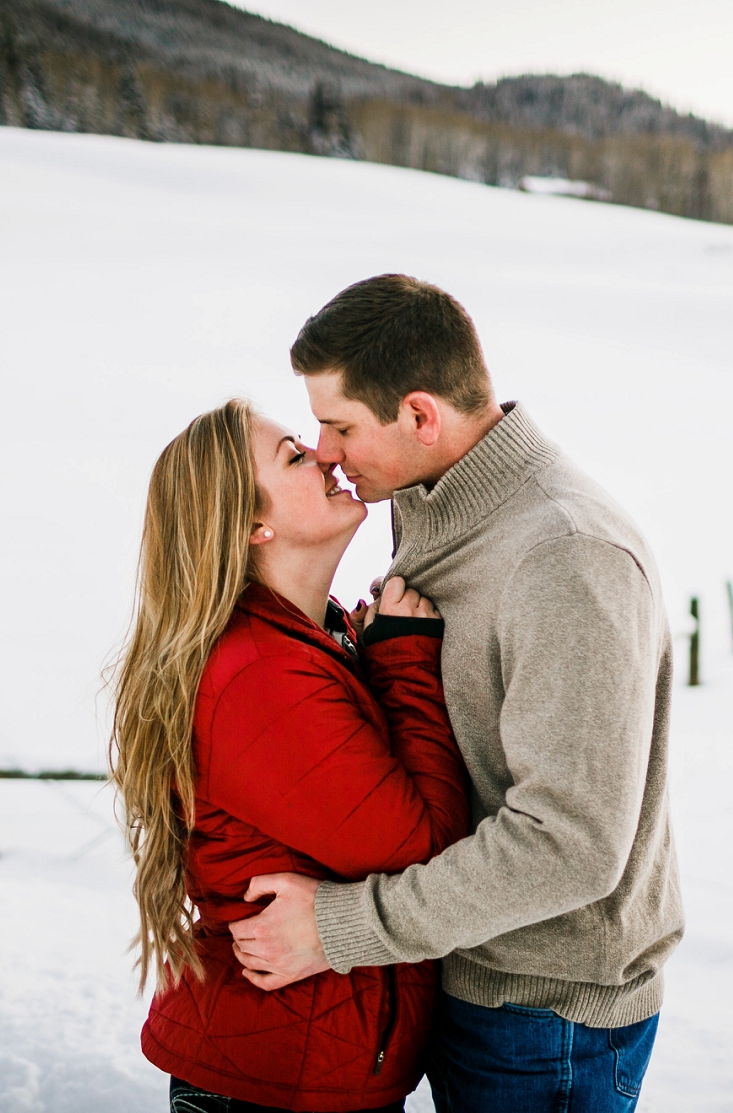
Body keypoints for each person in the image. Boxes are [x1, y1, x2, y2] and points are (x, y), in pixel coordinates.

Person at [229, 275, 685, 1112]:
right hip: (464, 968)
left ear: (420, 415)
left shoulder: (564, 555)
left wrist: (339, 928)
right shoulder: (434, 504)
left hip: (543, 1013)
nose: (324, 450)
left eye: (339, 427)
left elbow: (571, 844)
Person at [109, 399, 469, 1113]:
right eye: (297, 458)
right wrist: (404, 665)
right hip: (275, 1081)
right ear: (252, 525)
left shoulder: (308, 639)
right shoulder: (256, 675)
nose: (329, 457)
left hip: (303, 1063)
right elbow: (423, 843)